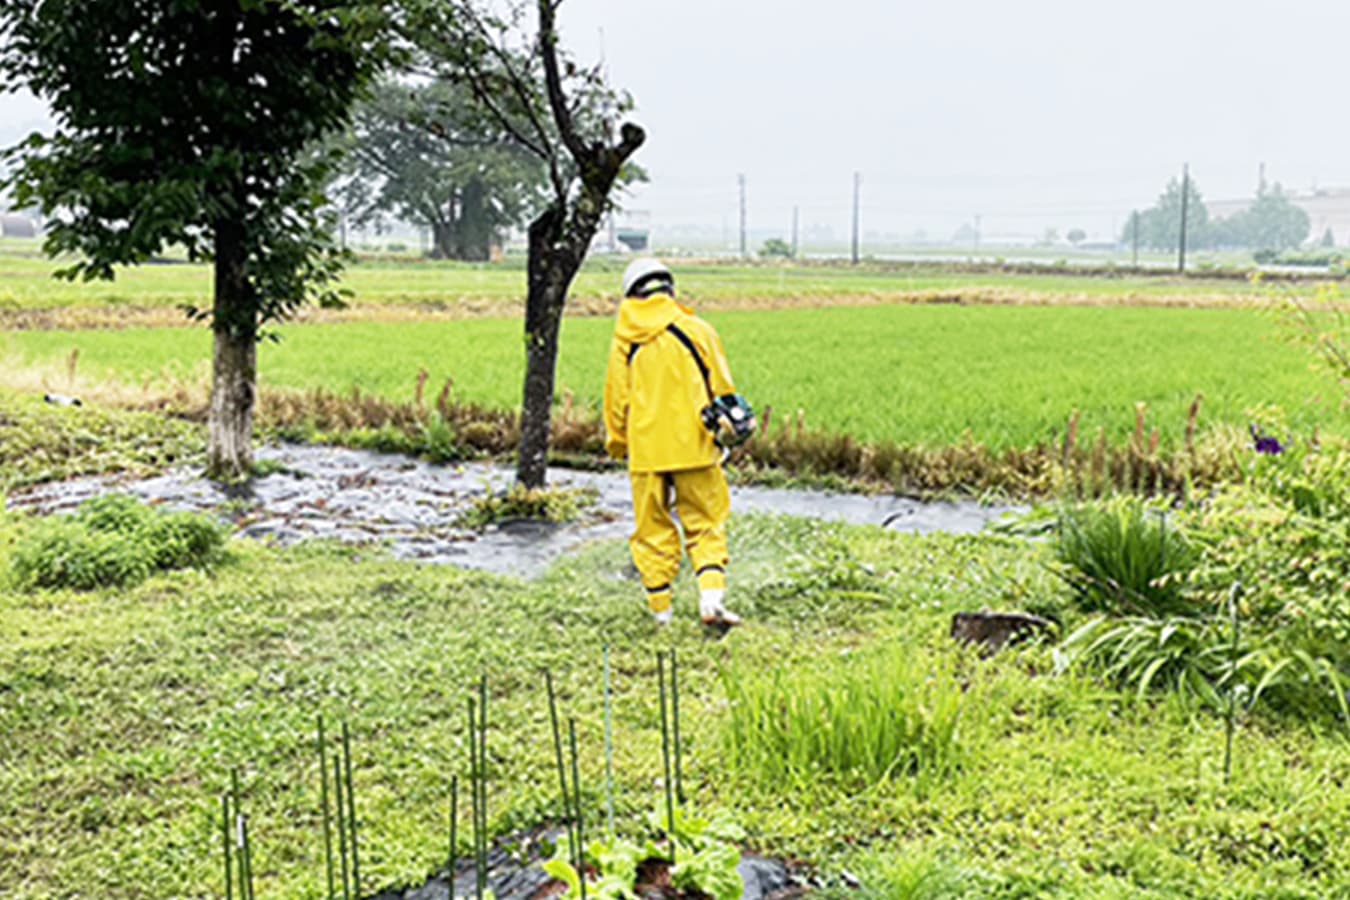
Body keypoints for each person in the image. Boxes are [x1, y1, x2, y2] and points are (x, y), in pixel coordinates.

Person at [603, 258, 754, 629]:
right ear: (669, 289)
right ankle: (711, 599)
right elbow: (723, 388)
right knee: (705, 522)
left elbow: (616, 398)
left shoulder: (625, 340)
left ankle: (662, 615)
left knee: (651, 530)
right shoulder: (696, 330)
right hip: (695, 446)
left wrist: (619, 444)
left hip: (646, 451)